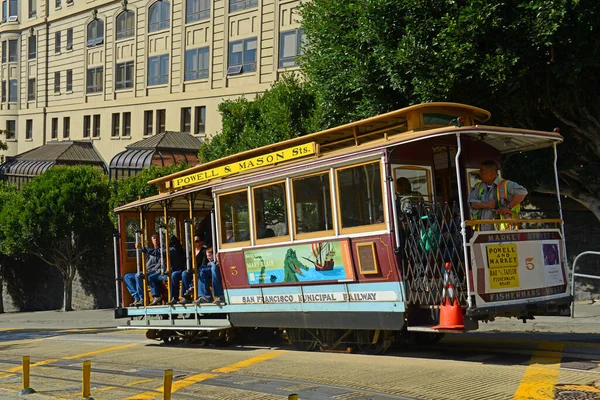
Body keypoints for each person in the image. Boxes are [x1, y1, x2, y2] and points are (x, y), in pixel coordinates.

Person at [468, 160, 527, 231]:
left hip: (505, 231)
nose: (480, 174)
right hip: (482, 231)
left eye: (482, 172)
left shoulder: (506, 184)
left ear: (492, 173)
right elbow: (471, 203)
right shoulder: (478, 187)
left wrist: (508, 207)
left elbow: (522, 192)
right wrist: (488, 205)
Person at [124, 232, 165, 307]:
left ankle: (142, 299)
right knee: (127, 276)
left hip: (155, 272)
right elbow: (146, 264)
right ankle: (137, 298)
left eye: (157, 238)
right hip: (147, 272)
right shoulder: (149, 252)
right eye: (154, 238)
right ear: (151, 240)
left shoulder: (163, 251)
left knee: (139, 275)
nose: (156, 240)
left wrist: (142, 249)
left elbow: (159, 266)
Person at [177, 234, 207, 304]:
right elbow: (188, 264)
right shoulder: (191, 252)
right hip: (191, 271)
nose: (195, 243)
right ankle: (186, 297)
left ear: (201, 242)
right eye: (193, 241)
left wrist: (196, 272)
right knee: (184, 273)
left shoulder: (204, 251)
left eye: (196, 241)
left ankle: (191, 287)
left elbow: (203, 264)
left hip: (199, 270)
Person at [166, 236, 187, 305]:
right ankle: (175, 297)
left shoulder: (176, 250)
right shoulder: (173, 250)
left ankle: (185, 296)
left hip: (183, 270)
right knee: (174, 274)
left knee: (175, 274)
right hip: (176, 271)